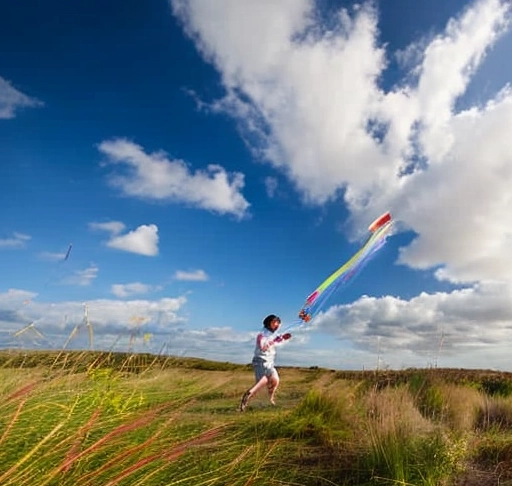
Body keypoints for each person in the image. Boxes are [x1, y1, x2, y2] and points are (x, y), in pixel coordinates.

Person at [239, 314, 292, 411]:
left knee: (275, 380)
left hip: (270, 362)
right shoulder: (262, 334)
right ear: (268, 323)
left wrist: (283, 338)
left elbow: (277, 342)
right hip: (261, 361)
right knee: (262, 382)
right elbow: (263, 347)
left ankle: (269, 399)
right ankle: (247, 396)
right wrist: (274, 341)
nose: (277, 325)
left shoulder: (273, 334)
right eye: (275, 323)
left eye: (278, 323)